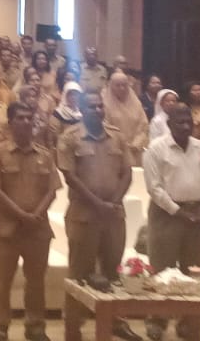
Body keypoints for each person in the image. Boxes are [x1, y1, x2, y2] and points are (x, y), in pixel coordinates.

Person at [59, 93, 140, 341]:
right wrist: (97, 203)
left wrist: (112, 202)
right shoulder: (70, 138)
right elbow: (70, 176)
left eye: (99, 106)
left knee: (113, 272)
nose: (97, 110)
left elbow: (127, 172)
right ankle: (74, 327)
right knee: (79, 273)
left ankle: (116, 321)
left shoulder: (117, 136)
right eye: (91, 106)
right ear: (82, 110)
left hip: (113, 216)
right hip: (84, 215)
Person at [0, 101, 61, 341]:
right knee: (2, 282)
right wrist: (22, 215)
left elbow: (52, 190)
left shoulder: (45, 155)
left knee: (36, 282)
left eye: (30, 118)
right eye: (21, 118)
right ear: (11, 122)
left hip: (38, 231)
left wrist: (35, 214)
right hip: (8, 229)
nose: (27, 122)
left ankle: (35, 327)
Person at [141, 106, 200, 341]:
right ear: (170, 123)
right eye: (180, 122)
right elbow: (154, 188)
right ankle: (157, 321)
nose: (185, 126)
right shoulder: (156, 149)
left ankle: (187, 323)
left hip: (196, 216)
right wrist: (178, 211)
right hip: (166, 214)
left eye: (188, 122)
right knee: (162, 269)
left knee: (192, 270)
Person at [100, 71, 148, 152]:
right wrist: (122, 145)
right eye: (118, 85)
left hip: (135, 150)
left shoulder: (136, 104)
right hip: (114, 151)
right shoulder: (105, 105)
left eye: (124, 85)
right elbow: (105, 128)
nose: (122, 88)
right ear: (111, 86)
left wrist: (136, 143)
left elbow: (144, 127)